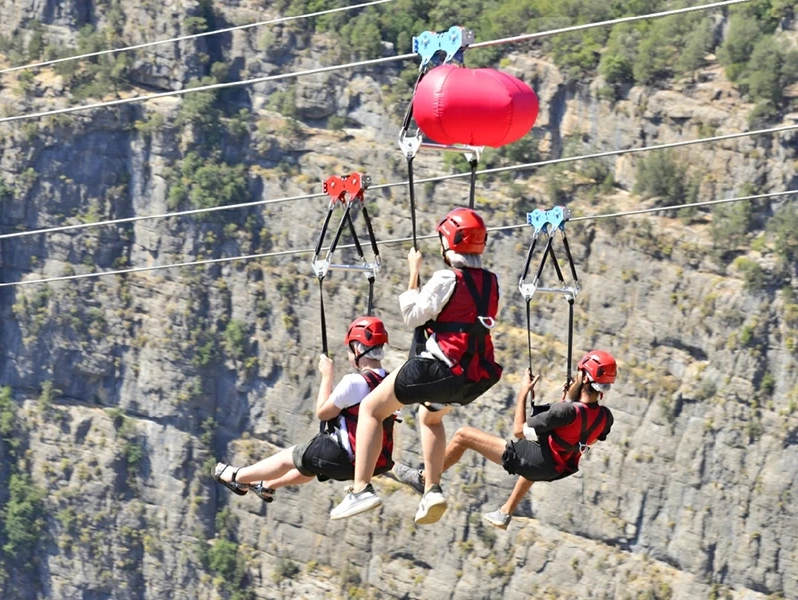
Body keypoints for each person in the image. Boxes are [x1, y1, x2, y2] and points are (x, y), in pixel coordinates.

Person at [330, 207, 502, 524]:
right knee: (430, 417)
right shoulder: (492, 283)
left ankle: (360, 489)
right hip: (472, 376)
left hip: (435, 368)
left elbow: (412, 317)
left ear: (447, 241)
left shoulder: (446, 278)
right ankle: (432, 490)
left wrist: (413, 272)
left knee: (370, 408)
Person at [394, 350, 617, 529]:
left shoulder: (566, 412)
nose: (576, 376)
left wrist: (523, 392)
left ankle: (426, 479)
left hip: (541, 461)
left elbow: (519, 430)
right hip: (557, 468)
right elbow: (582, 434)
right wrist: (567, 401)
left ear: (586, 377)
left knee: (463, 435)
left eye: (579, 373)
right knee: (534, 454)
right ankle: (505, 512)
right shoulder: (606, 417)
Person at [212, 317, 396, 499]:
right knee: (309, 462)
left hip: (343, 459)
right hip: (374, 464)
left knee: (289, 457)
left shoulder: (353, 382)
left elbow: (323, 413)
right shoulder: (391, 384)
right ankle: (267, 485)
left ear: (356, 349)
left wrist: (327, 375)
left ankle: (237, 477)